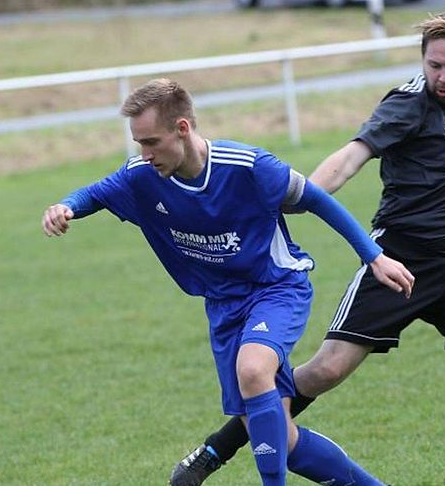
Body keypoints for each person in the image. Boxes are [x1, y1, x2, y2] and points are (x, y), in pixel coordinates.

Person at [171, 5, 445, 486]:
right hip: (398, 262)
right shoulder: (407, 105)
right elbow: (353, 155)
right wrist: (301, 194)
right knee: (324, 371)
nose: (441, 76)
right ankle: (214, 450)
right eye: (433, 64)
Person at [41, 78, 415, 486]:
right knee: (277, 438)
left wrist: (373, 256)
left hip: (276, 288)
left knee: (253, 370)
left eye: (151, 142)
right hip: (223, 306)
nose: (144, 154)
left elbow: (318, 199)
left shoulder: (248, 167)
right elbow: (94, 194)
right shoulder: (142, 176)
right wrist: (66, 207)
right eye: (138, 144)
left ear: (182, 129)